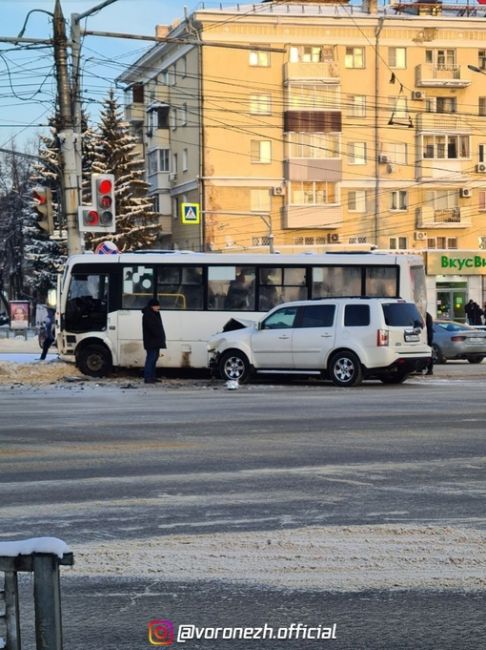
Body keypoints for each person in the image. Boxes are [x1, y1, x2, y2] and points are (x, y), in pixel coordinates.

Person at [141, 298, 166, 384]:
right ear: (152, 306)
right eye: (157, 306)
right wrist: (159, 335)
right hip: (152, 341)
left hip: (155, 341)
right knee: (151, 359)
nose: (158, 307)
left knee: (154, 359)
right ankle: (148, 378)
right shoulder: (148, 314)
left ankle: (152, 377)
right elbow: (153, 328)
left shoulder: (154, 313)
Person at [425, 311, 434, 376]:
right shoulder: (428, 315)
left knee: (428, 353)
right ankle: (429, 369)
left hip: (427, 337)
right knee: (428, 353)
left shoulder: (425, 315)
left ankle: (430, 369)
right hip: (429, 336)